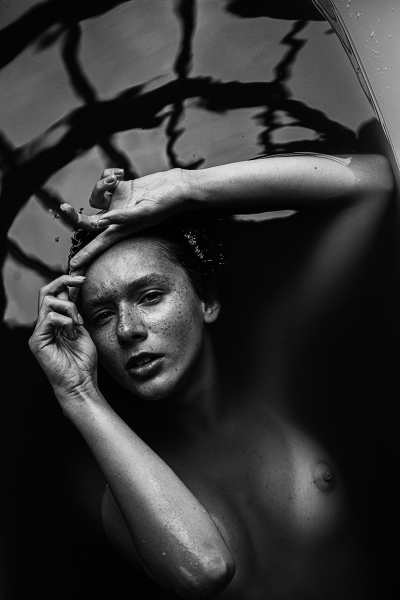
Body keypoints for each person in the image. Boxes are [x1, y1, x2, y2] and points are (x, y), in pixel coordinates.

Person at [29, 153, 394, 599]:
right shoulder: (103, 480)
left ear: (207, 302)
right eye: (102, 315)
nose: (127, 329)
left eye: (150, 295)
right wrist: (79, 393)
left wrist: (187, 188)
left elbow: (373, 183)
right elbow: (204, 570)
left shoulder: (276, 364)